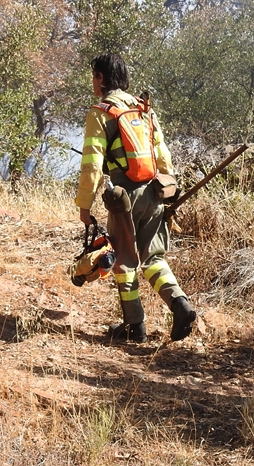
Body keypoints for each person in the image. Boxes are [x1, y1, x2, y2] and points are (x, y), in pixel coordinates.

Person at [75, 53, 196, 343]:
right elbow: (162, 154)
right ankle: (180, 305)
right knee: (153, 257)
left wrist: (84, 205)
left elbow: (92, 163)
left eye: (94, 75)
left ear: (101, 77)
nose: (93, 81)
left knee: (124, 262)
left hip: (123, 198)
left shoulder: (101, 112)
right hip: (155, 192)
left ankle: (134, 327)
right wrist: (168, 189)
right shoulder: (144, 109)